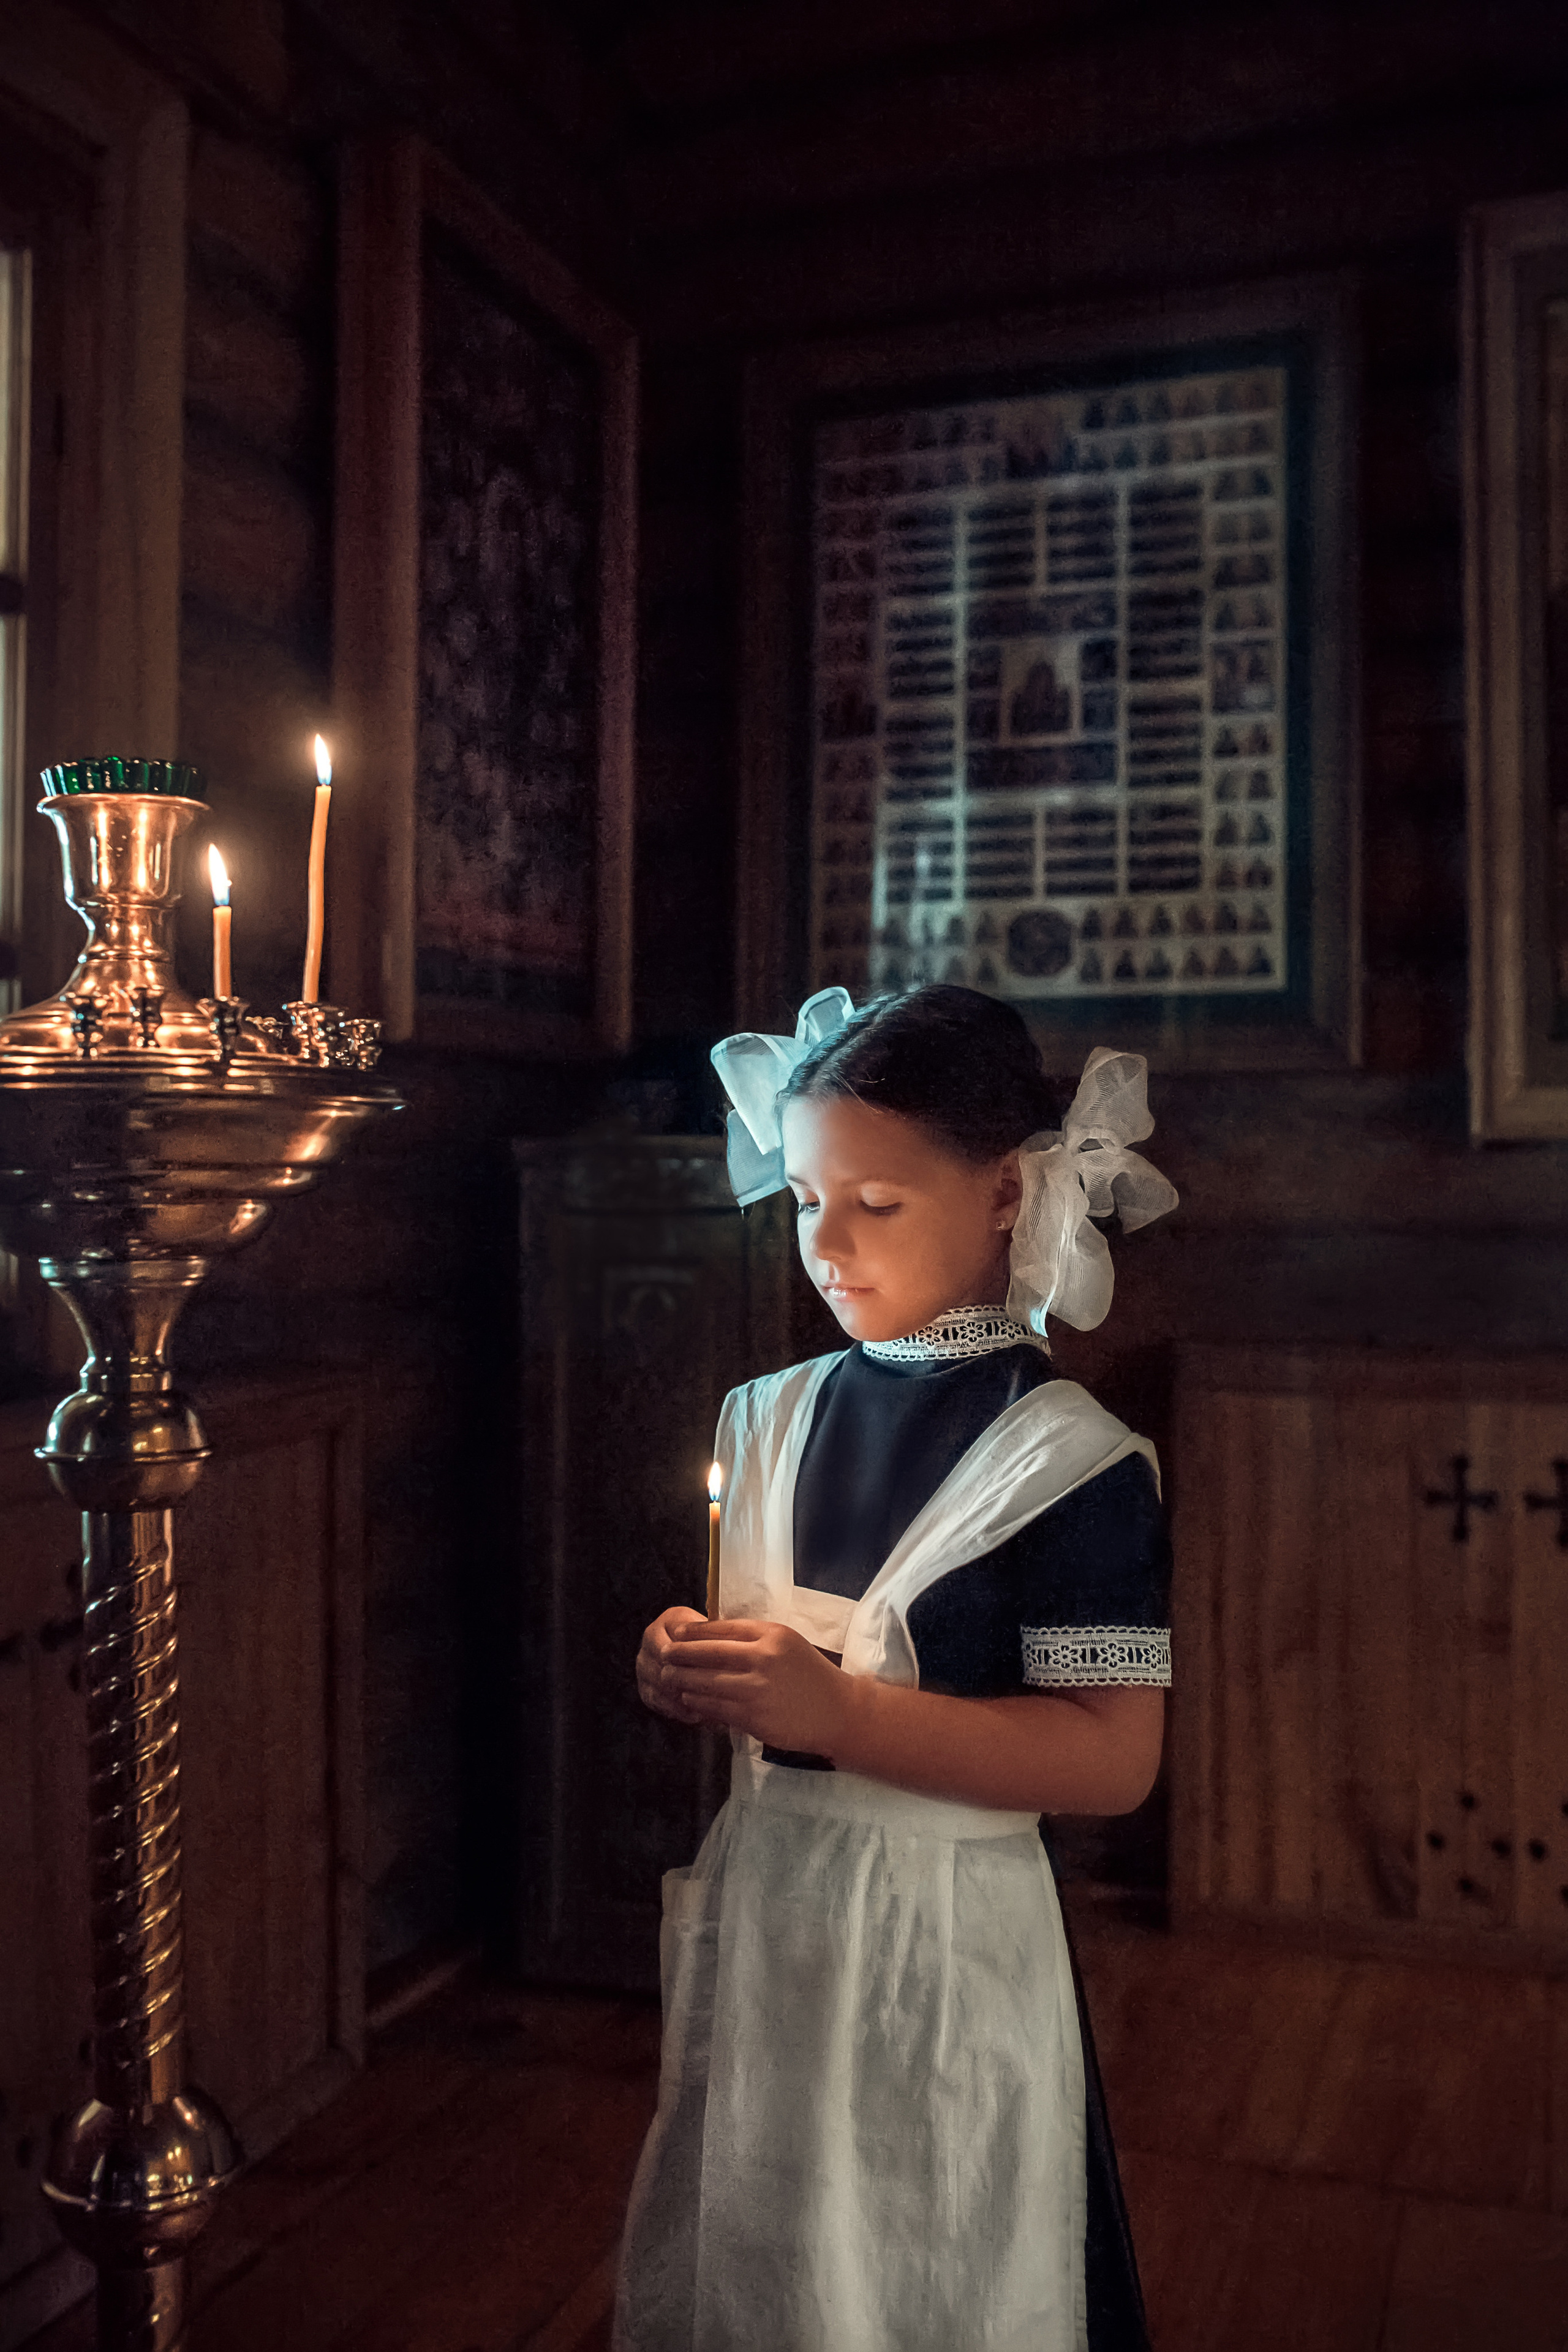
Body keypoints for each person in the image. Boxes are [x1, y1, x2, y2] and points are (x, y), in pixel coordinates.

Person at [614, 984, 1178, 2352]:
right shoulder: (764, 1417)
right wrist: (691, 1666)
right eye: (805, 1199)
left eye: (875, 1204)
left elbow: (1111, 1759)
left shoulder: (1069, 1461)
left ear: (1000, 1193)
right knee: (765, 2254)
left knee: (941, 2266)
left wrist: (844, 1713)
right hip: (774, 1917)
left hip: (947, 1945)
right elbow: (769, 1675)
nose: (825, 1244)